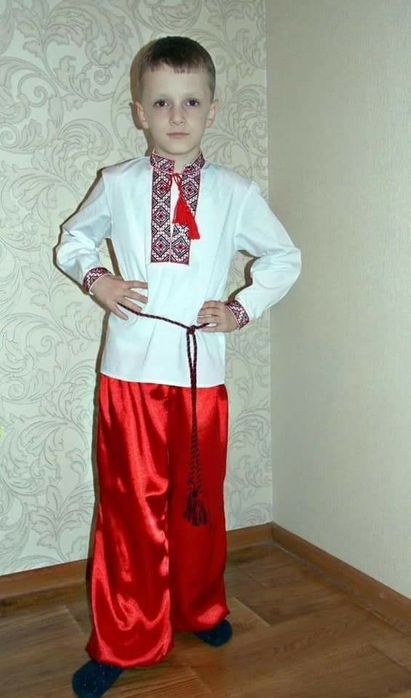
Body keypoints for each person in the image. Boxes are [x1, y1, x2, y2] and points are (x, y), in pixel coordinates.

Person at [56, 35, 301, 698]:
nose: (176, 115)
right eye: (161, 102)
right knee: (129, 509)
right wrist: (99, 280)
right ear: (139, 111)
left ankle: (200, 608)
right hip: (130, 375)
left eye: (190, 101)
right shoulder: (118, 183)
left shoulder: (234, 192)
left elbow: (284, 258)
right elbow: (73, 241)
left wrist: (241, 308)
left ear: (211, 110)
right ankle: (123, 636)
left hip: (201, 375)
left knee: (197, 502)